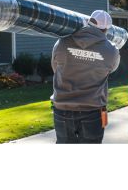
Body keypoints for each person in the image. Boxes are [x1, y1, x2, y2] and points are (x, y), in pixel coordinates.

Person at [50, 10, 120, 144]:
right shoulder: (111, 50)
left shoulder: (62, 42)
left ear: (89, 22)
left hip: (62, 109)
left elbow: (55, 68)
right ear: (106, 29)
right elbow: (110, 70)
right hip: (92, 111)